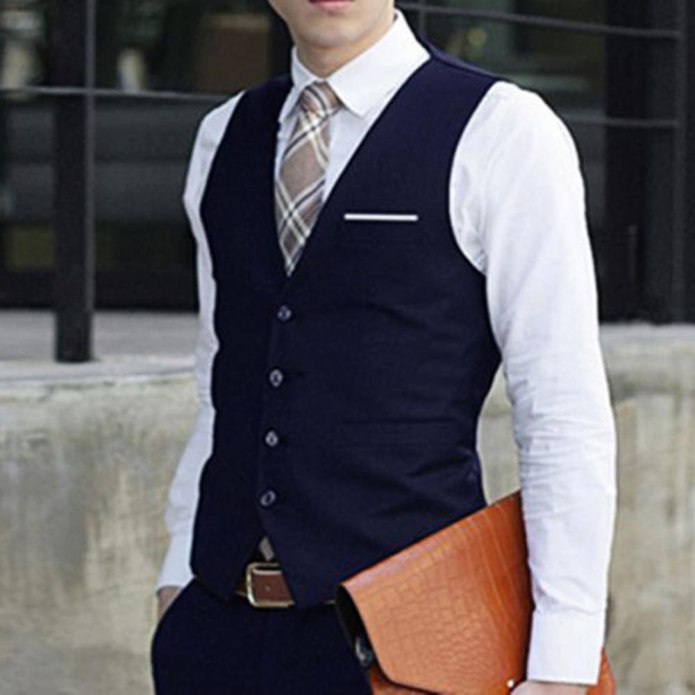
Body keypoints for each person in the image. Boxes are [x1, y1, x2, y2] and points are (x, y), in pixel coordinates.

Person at [150, 1, 617, 693]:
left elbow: (560, 406)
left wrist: (561, 663)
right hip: (218, 632)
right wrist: (175, 577)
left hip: (405, 644)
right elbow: (222, 380)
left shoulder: (501, 130)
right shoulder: (224, 135)